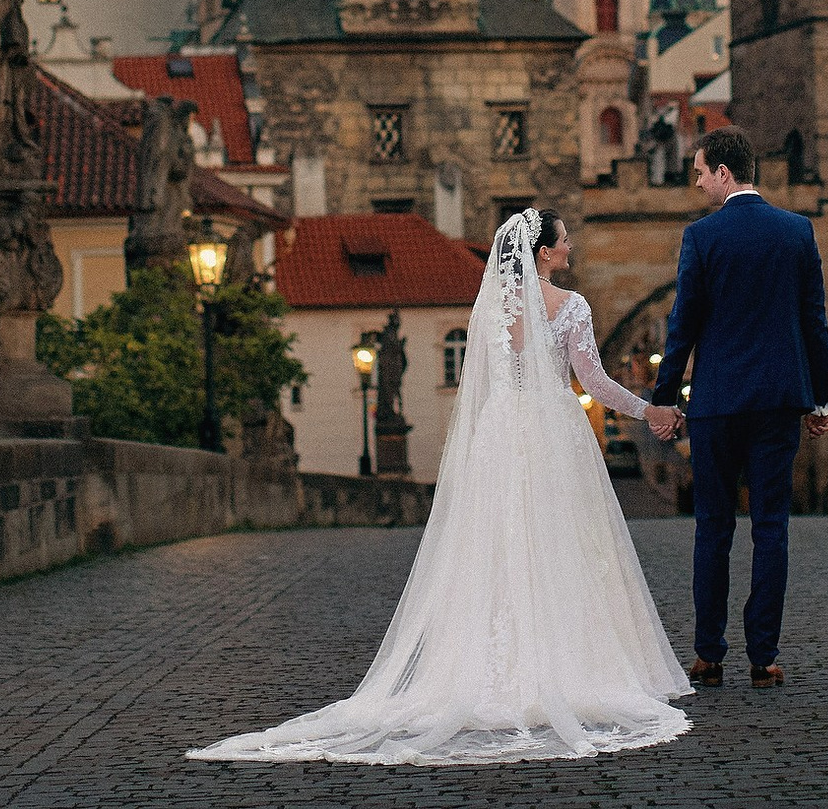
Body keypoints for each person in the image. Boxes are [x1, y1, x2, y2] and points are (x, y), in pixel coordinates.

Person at [189, 209, 688, 766]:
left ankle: (482, 665)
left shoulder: (489, 309)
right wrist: (649, 410)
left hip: (498, 431)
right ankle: (572, 661)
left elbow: (482, 381)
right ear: (543, 253)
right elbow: (592, 382)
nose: (570, 248)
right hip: (551, 428)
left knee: (491, 546)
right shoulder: (570, 307)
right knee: (560, 542)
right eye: (565, 241)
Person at [644, 125, 828, 689]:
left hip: (718, 403)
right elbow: (814, 322)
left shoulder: (702, 237)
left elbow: (684, 325)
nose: (699, 183)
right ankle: (764, 656)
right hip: (778, 400)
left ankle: (708, 653)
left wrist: (664, 396)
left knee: (714, 528)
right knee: (771, 526)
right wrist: (819, 397)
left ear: (724, 172)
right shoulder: (797, 231)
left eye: (701, 172)